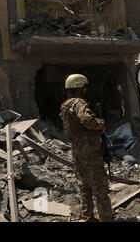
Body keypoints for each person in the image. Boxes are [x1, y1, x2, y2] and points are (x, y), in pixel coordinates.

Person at [60, 74, 113, 222]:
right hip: (89, 150)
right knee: (100, 187)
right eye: (84, 87)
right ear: (79, 88)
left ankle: (87, 216)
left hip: (77, 149)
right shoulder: (79, 103)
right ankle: (106, 218)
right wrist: (101, 125)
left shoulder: (65, 105)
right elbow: (87, 120)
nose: (86, 90)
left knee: (85, 186)